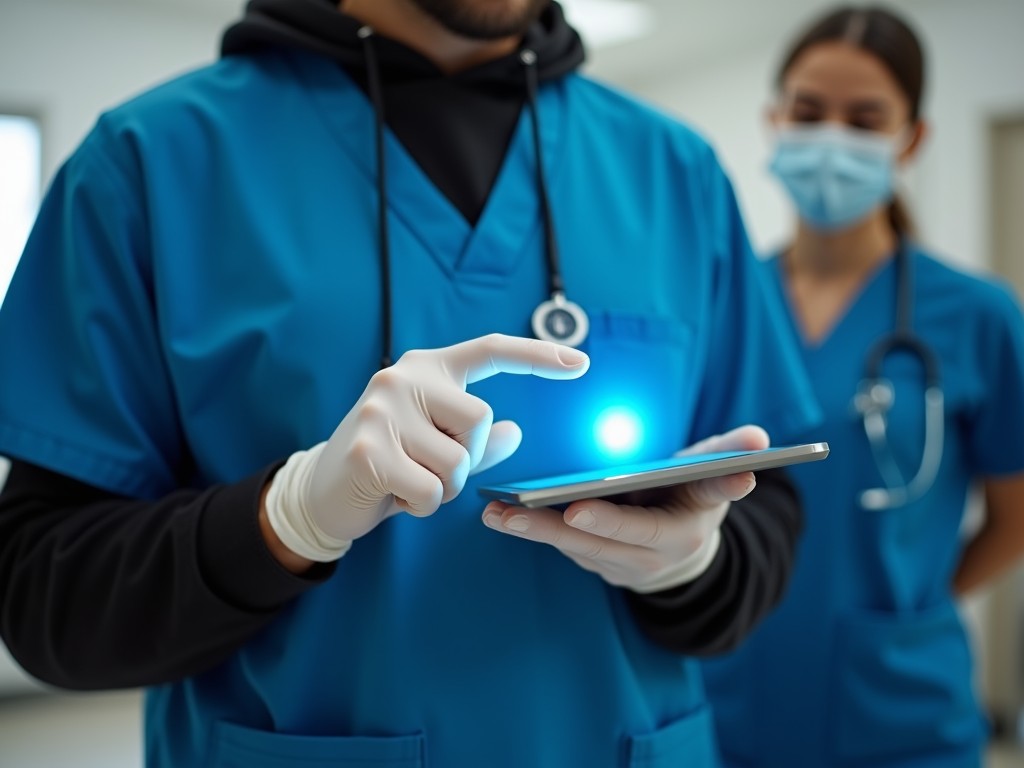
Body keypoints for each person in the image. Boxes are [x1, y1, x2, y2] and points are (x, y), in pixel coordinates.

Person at [0, 1, 818, 766]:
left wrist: (690, 567)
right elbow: (47, 600)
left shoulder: (675, 172)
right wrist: (287, 519)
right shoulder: (151, 164)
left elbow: (770, 508)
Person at [701, 6, 1024, 767]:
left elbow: (1017, 515)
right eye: (809, 113)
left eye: (864, 118)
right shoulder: (721, 302)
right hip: (726, 690)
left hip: (900, 708)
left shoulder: (977, 316)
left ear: (911, 138)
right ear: (774, 120)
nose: (831, 139)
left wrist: (912, 600)